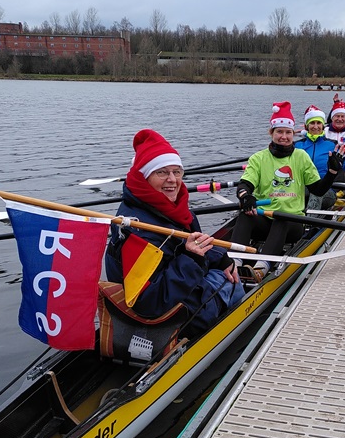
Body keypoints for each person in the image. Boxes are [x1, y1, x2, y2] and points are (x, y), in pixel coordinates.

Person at [105, 129, 245, 338]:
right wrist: (192, 258)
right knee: (234, 284)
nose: (172, 180)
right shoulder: (138, 230)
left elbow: (188, 243)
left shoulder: (169, 208)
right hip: (169, 317)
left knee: (226, 268)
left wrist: (220, 257)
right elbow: (148, 303)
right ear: (144, 177)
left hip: (177, 287)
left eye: (177, 172)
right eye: (162, 172)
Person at [231, 102, 344, 281]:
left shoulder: (301, 157)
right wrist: (245, 197)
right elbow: (245, 185)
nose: (284, 137)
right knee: (244, 215)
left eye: (288, 132)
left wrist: (331, 172)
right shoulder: (258, 158)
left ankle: (261, 268)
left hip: (292, 223)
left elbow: (318, 190)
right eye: (279, 132)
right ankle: (234, 263)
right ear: (272, 133)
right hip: (264, 220)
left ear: (293, 134)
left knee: (281, 218)